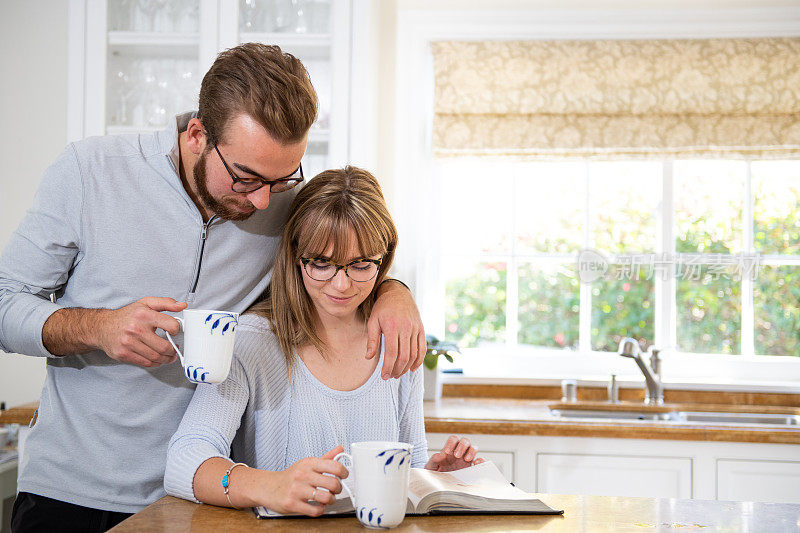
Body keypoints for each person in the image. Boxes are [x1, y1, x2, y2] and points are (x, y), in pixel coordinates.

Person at [1, 43, 425, 532]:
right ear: (198, 134)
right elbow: (4, 303)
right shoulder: (89, 171)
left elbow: (341, 249)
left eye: (284, 178)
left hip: (196, 504)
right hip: (71, 491)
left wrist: (395, 291)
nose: (264, 198)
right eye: (246, 179)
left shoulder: (278, 203)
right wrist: (99, 327)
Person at [164, 166, 481, 515]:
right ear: (296, 256)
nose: (341, 285)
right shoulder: (250, 343)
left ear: (383, 257)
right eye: (321, 263)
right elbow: (184, 461)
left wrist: (434, 481)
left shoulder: (398, 342)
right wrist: (267, 485)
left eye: (361, 265)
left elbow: (410, 463)